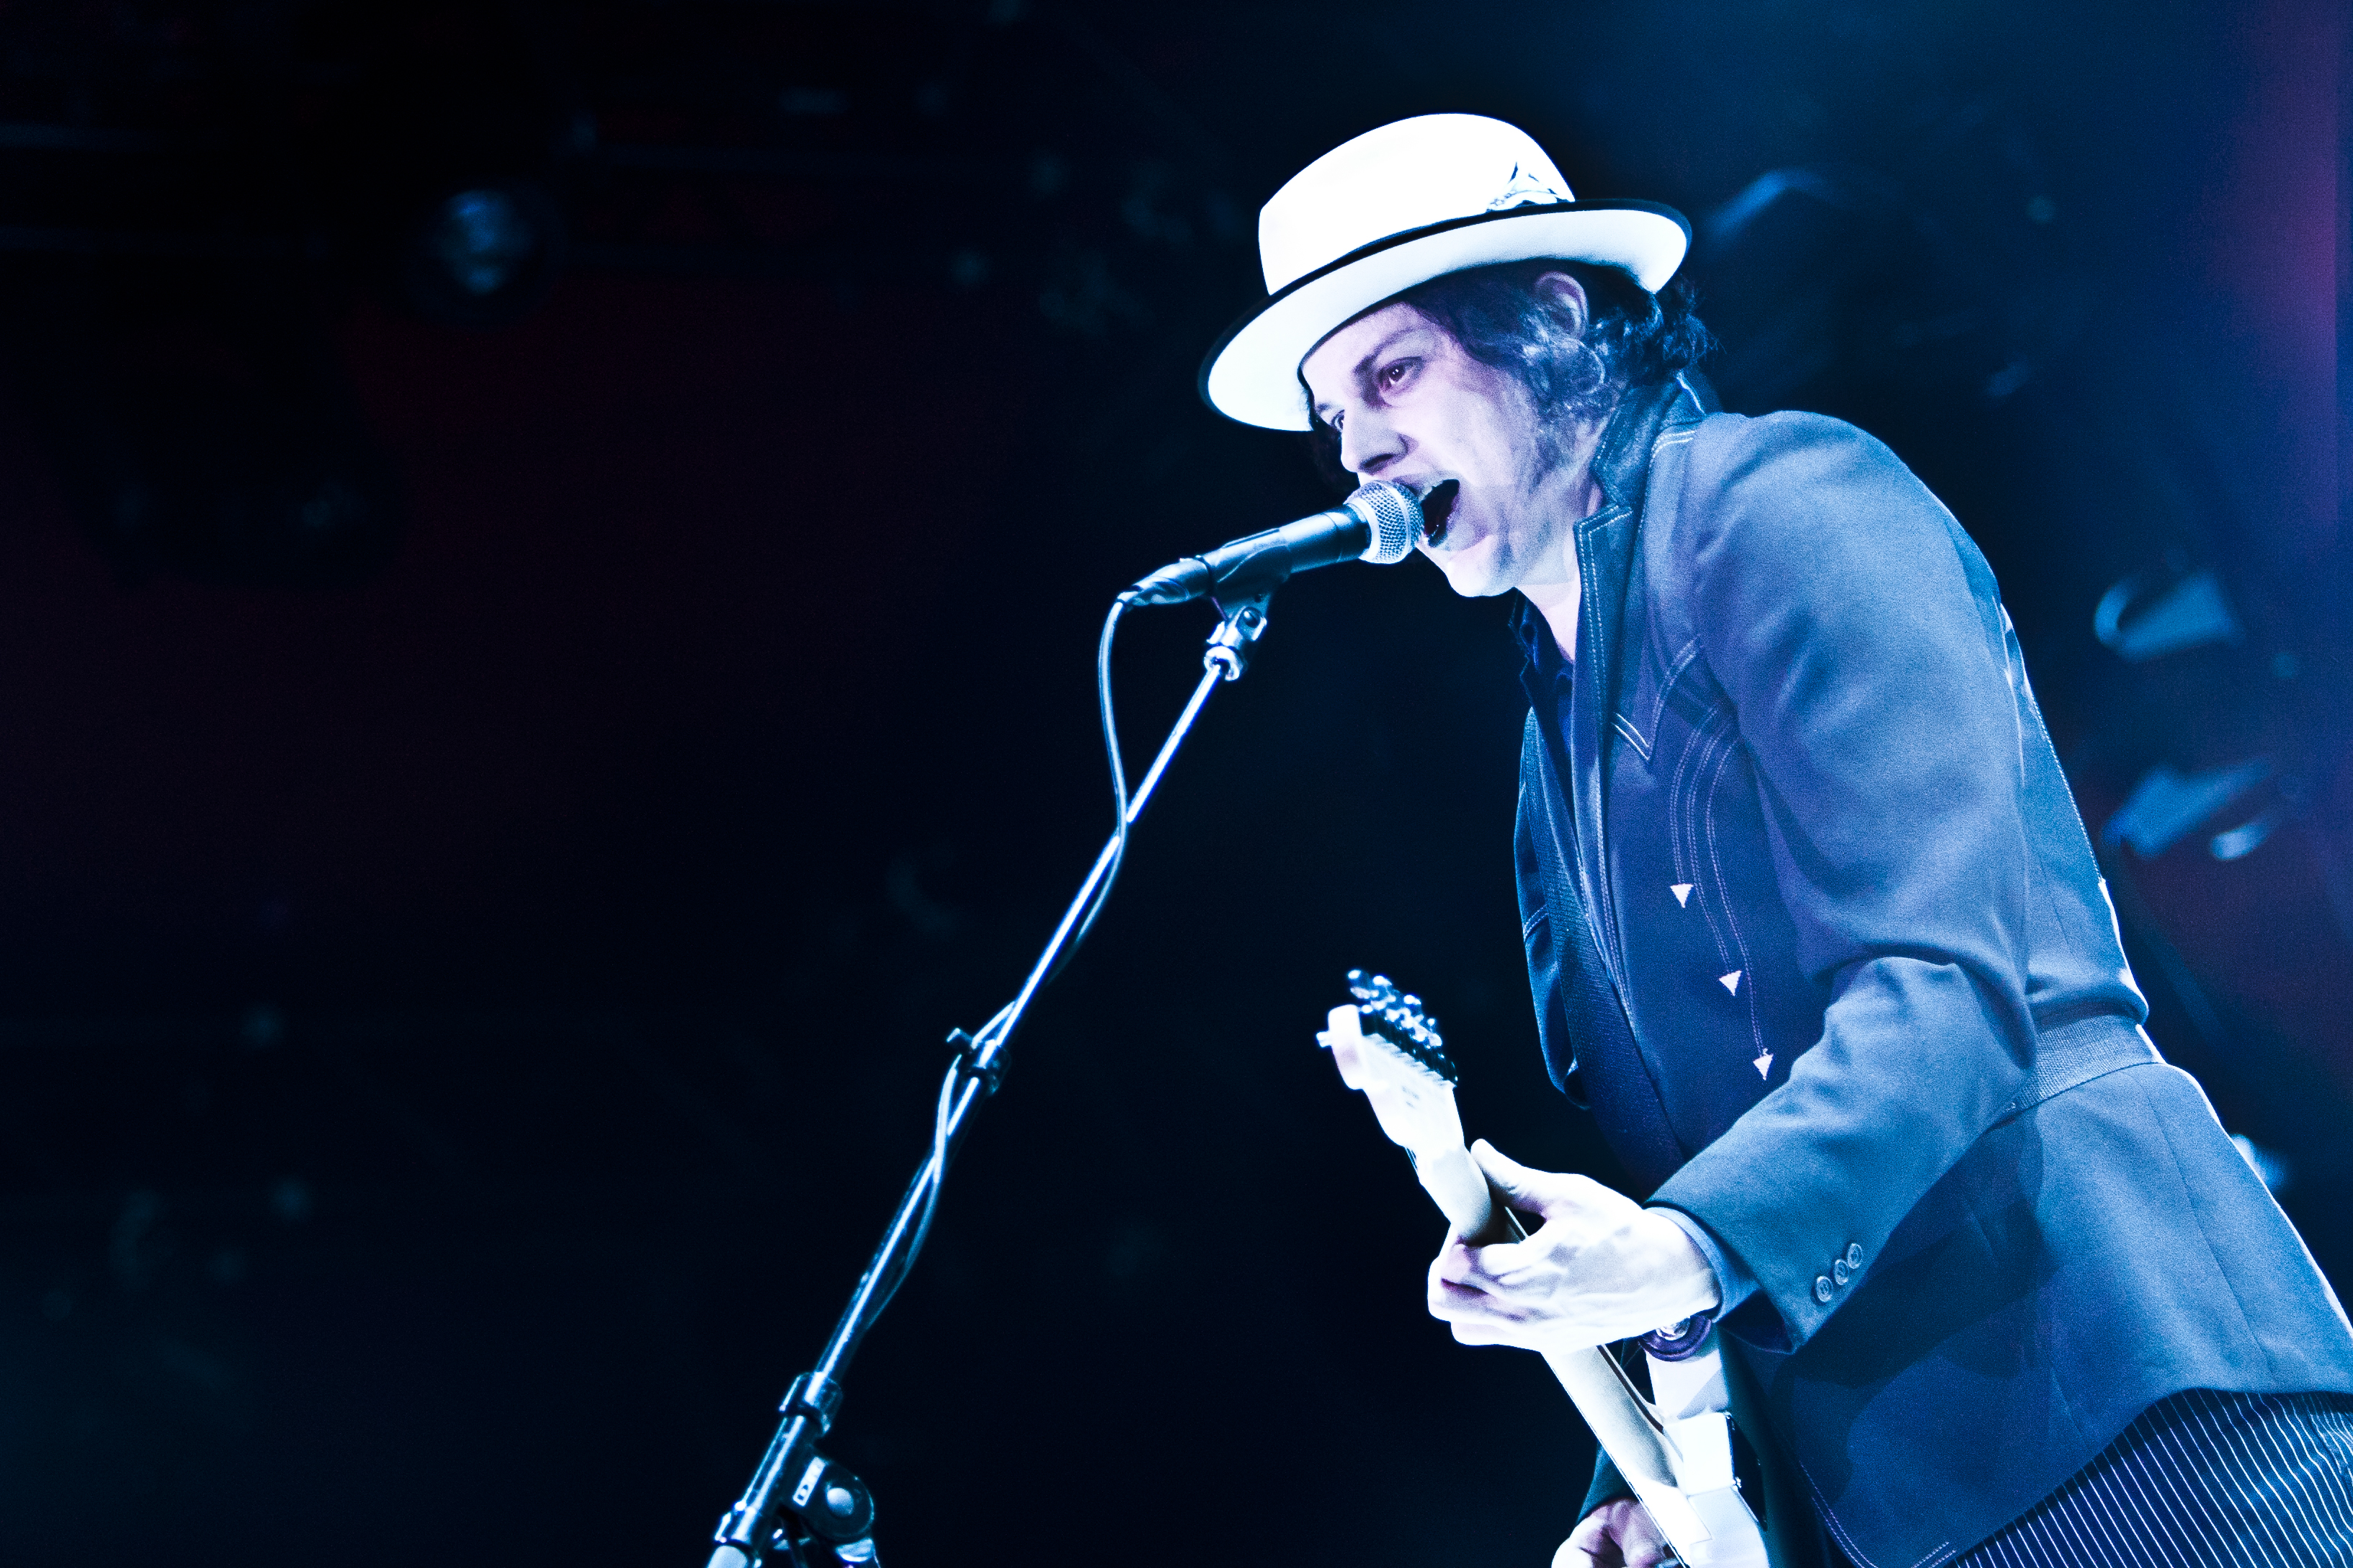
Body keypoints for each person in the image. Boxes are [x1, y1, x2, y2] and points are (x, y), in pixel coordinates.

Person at [1201, 114, 2353, 1567]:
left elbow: (1947, 992)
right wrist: (1642, 1474)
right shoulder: (1550, 732)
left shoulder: (1790, 505)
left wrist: (1673, 1251)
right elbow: (1704, 1147)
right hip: (1899, 1499)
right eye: (1330, 416)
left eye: (1394, 371)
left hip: (2128, 1401)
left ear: (1553, 323)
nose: (1357, 444)